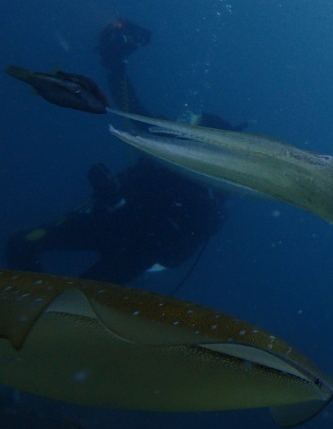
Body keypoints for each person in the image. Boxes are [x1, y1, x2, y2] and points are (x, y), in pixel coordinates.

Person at [5, 19, 230, 286]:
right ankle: (27, 308)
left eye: (189, 125)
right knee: (20, 245)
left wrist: (115, 198)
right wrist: (114, 62)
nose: (178, 127)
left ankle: (41, 318)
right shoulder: (165, 137)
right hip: (105, 221)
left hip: (134, 252)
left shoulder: (204, 190)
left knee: (74, 303)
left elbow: (171, 247)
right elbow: (128, 104)